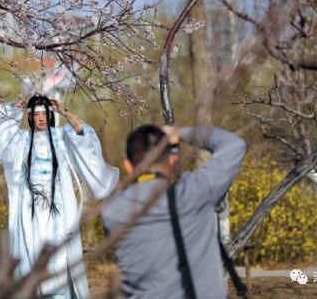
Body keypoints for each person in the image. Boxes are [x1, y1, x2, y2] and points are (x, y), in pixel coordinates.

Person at [0, 94, 119, 298]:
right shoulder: (20, 141)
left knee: (60, 257)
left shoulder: (61, 137)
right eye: (37, 114)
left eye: (45, 113)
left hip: (59, 213)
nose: (41, 118)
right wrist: (11, 110)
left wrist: (65, 113)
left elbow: (83, 136)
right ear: (30, 117)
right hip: (29, 215)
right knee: (30, 256)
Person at [101, 124, 247, 298]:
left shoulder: (111, 212)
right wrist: (182, 133)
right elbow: (234, 145)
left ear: (128, 166)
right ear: (171, 160)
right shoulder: (195, 192)